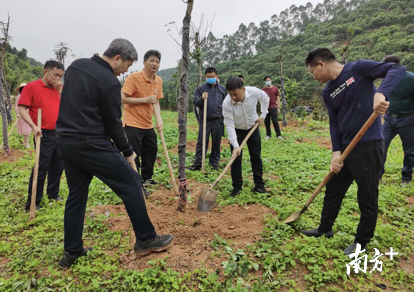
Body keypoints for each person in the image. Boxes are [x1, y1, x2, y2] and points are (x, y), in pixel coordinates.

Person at [56, 39, 173, 269]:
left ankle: (72, 251)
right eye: (126, 65)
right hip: (91, 143)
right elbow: (113, 123)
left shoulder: (76, 65)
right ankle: (145, 238)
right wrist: (128, 152)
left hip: (66, 142)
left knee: (76, 195)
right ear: (117, 58)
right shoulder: (109, 82)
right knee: (131, 181)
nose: (126, 70)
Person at [301, 48, 405, 255]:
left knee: (367, 195)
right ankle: (324, 229)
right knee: (333, 189)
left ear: (321, 64)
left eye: (313, 72)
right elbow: (334, 123)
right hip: (346, 149)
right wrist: (335, 152)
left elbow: (396, 68)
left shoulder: (358, 69)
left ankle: (361, 242)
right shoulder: (328, 91)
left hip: (368, 143)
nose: (314, 78)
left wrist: (380, 92)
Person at [18, 60, 65, 212]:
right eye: (55, 75)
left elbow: (70, 104)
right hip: (42, 132)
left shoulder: (59, 89)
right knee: (41, 166)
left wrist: (60, 89)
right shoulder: (32, 87)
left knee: (58, 165)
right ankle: (33, 202)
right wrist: (33, 125)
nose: (58, 78)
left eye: (60, 76)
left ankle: (53, 193)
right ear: (46, 71)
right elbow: (22, 108)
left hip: (60, 132)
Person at [121, 50, 163, 188]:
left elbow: (156, 101)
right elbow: (123, 98)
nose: (154, 64)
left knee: (151, 151)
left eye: (157, 61)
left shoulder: (158, 80)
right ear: (144, 62)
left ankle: (147, 177)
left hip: (147, 123)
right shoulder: (134, 78)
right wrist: (145, 99)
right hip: (132, 122)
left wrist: (159, 120)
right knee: (134, 153)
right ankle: (136, 181)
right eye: (151, 60)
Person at [223, 77, 269, 197]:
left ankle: (259, 186)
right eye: (230, 94)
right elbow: (229, 124)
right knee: (235, 159)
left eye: (236, 94)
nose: (233, 97)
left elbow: (265, 98)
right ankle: (237, 188)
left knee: (256, 157)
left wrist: (263, 115)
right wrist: (236, 145)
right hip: (237, 131)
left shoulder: (254, 92)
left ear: (243, 89)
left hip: (252, 128)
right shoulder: (226, 103)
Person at [380, 55, 414, 184]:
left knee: (410, 150)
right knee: (380, 146)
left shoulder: (411, 79)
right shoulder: (387, 79)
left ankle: (406, 178)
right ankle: (377, 176)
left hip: (408, 119)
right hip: (390, 119)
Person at [189, 67, 226, 171]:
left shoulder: (222, 89)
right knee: (202, 141)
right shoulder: (201, 89)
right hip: (205, 120)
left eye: (213, 77)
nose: (211, 78)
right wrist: (202, 98)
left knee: (216, 141)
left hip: (218, 120)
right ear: (205, 77)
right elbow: (196, 102)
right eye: (208, 77)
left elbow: (227, 104)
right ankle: (198, 162)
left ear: (217, 76)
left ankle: (214, 162)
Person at [262, 76, 282, 140]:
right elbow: (260, 99)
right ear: (265, 82)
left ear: (271, 80)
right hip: (265, 108)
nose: (267, 81)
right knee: (267, 122)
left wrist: (278, 107)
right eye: (266, 81)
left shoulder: (275, 89)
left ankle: (278, 135)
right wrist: (262, 107)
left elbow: (278, 98)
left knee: (275, 121)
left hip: (273, 107)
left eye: (268, 80)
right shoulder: (262, 90)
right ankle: (268, 135)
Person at [14, 83, 31, 148]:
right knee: (25, 128)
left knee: (28, 128)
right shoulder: (19, 96)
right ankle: (26, 144)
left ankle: (25, 142)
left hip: (29, 113)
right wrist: (17, 113)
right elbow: (16, 106)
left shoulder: (29, 95)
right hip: (22, 114)